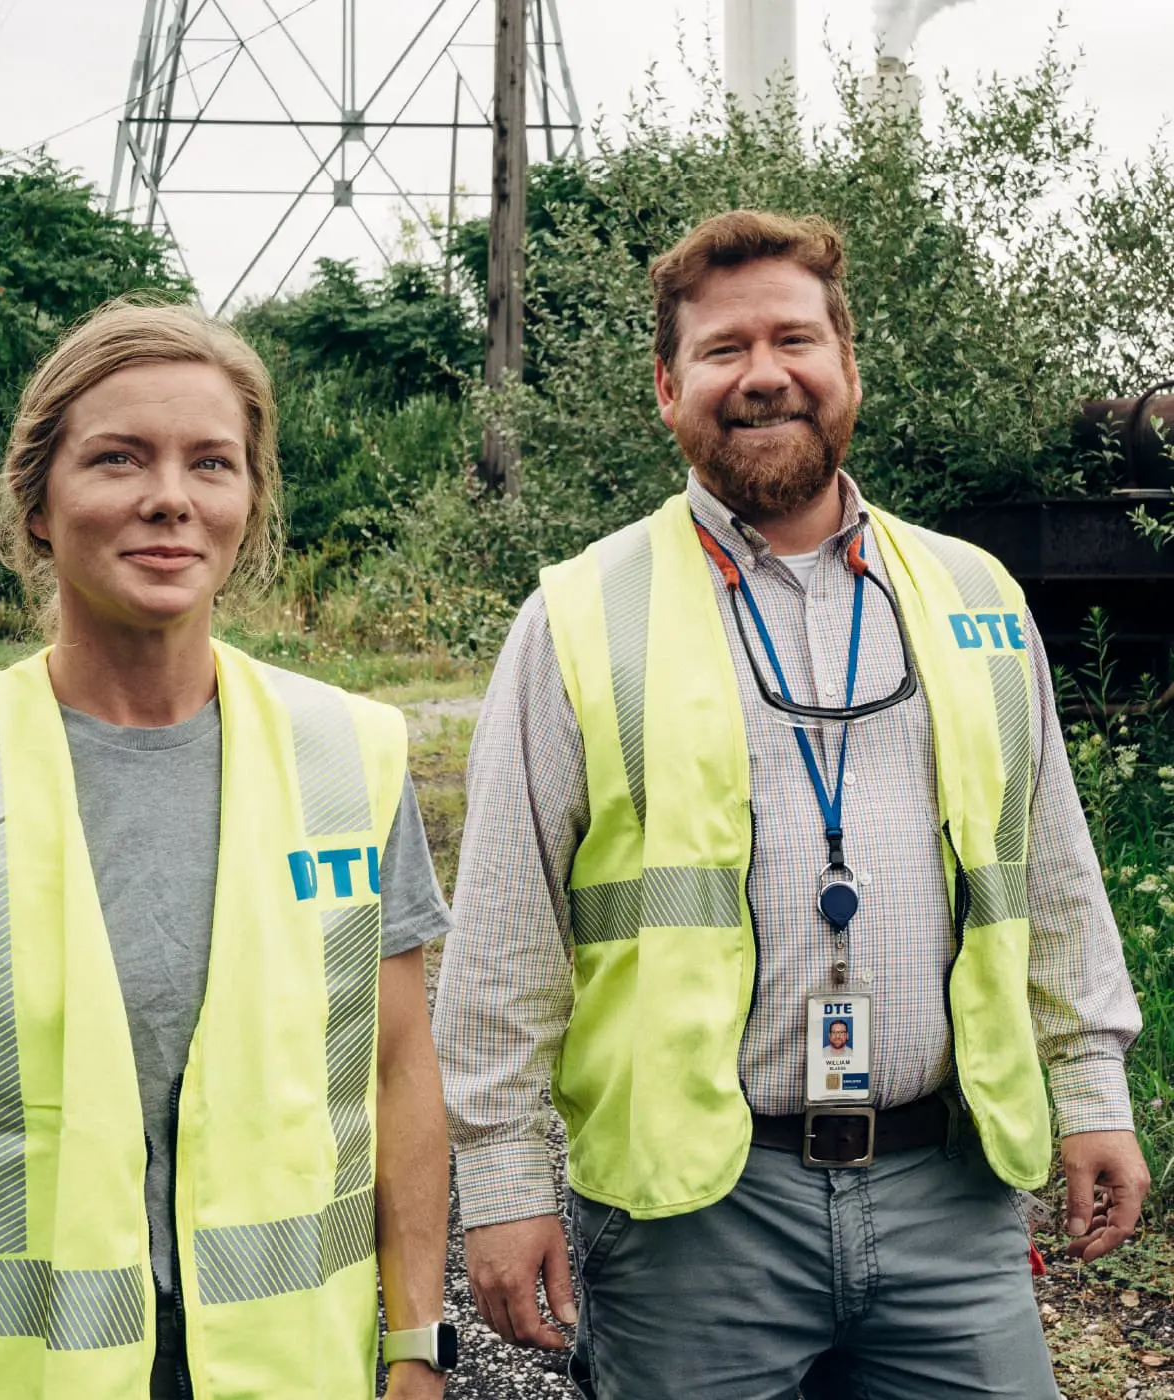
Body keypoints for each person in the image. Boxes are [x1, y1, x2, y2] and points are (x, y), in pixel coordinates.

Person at [434, 210, 1148, 1398]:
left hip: (947, 1198)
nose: (763, 374)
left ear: (846, 370)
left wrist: (1091, 1091)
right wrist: (504, 1184)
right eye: (721, 350)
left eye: (794, 340)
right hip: (693, 1217)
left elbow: (1050, 871)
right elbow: (504, 930)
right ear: (667, 388)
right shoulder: (575, 615)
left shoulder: (975, 595)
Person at [0, 300, 455, 1400]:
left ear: (249, 500)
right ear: (39, 502)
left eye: (212, 461)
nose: (170, 496)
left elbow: (395, 1072)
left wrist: (416, 1347)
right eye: (118, 457)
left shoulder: (350, 755)